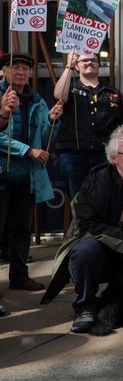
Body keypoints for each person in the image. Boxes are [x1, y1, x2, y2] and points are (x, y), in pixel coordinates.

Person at [41, 123, 123, 325]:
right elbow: (88, 225)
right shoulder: (97, 181)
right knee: (86, 250)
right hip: (105, 254)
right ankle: (85, 308)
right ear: (113, 158)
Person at [0, 52, 63, 291]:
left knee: (22, 230)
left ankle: (19, 277)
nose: (20, 72)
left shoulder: (37, 99)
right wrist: (27, 150)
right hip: (2, 175)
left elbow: (45, 139)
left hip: (27, 176)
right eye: (15, 67)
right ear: (4, 71)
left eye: (25, 68)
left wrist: (53, 121)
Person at [53, 51, 123, 198]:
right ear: (77, 66)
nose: (89, 63)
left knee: (105, 198)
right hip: (73, 155)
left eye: (93, 60)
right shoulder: (69, 90)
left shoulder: (113, 93)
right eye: (84, 61)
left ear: (99, 65)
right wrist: (69, 66)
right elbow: (59, 96)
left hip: (105, 155)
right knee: (78, 200)